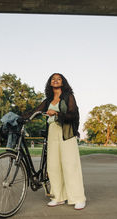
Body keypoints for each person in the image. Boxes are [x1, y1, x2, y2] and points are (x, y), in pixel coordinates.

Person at [24, 73, 86, 210]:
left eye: (59, 79)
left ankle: (78, 198)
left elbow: (73, 114)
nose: (56, 80)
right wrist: (20, 117)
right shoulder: (48, 101)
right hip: (52, 133)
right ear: (50, 83)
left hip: (66, 133)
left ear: (63, 82)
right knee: (53, 166)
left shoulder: (68, 97)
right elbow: (35, 111)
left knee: (70, 166)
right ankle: (58, 197)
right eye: (53, 79)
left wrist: (57, 114)